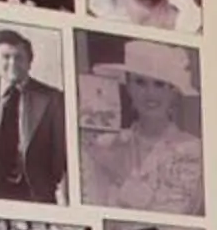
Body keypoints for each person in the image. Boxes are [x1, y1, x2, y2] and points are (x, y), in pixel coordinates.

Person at [80, 40, 201, 215]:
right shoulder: (107, 144)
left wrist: (117, 169)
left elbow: (172, 213)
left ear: (173, 91)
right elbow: (90, 205)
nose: (150, 94)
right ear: (128, 86)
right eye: (140, 82)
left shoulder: (191, 149)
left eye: (159, 84)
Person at [0, 29, 65, 201]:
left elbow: (59, 150)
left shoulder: (52, 98)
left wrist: (50, 183)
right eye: (6, 57)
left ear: (30, 62)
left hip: (31, 191)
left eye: (19, 57)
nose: (13, 63)